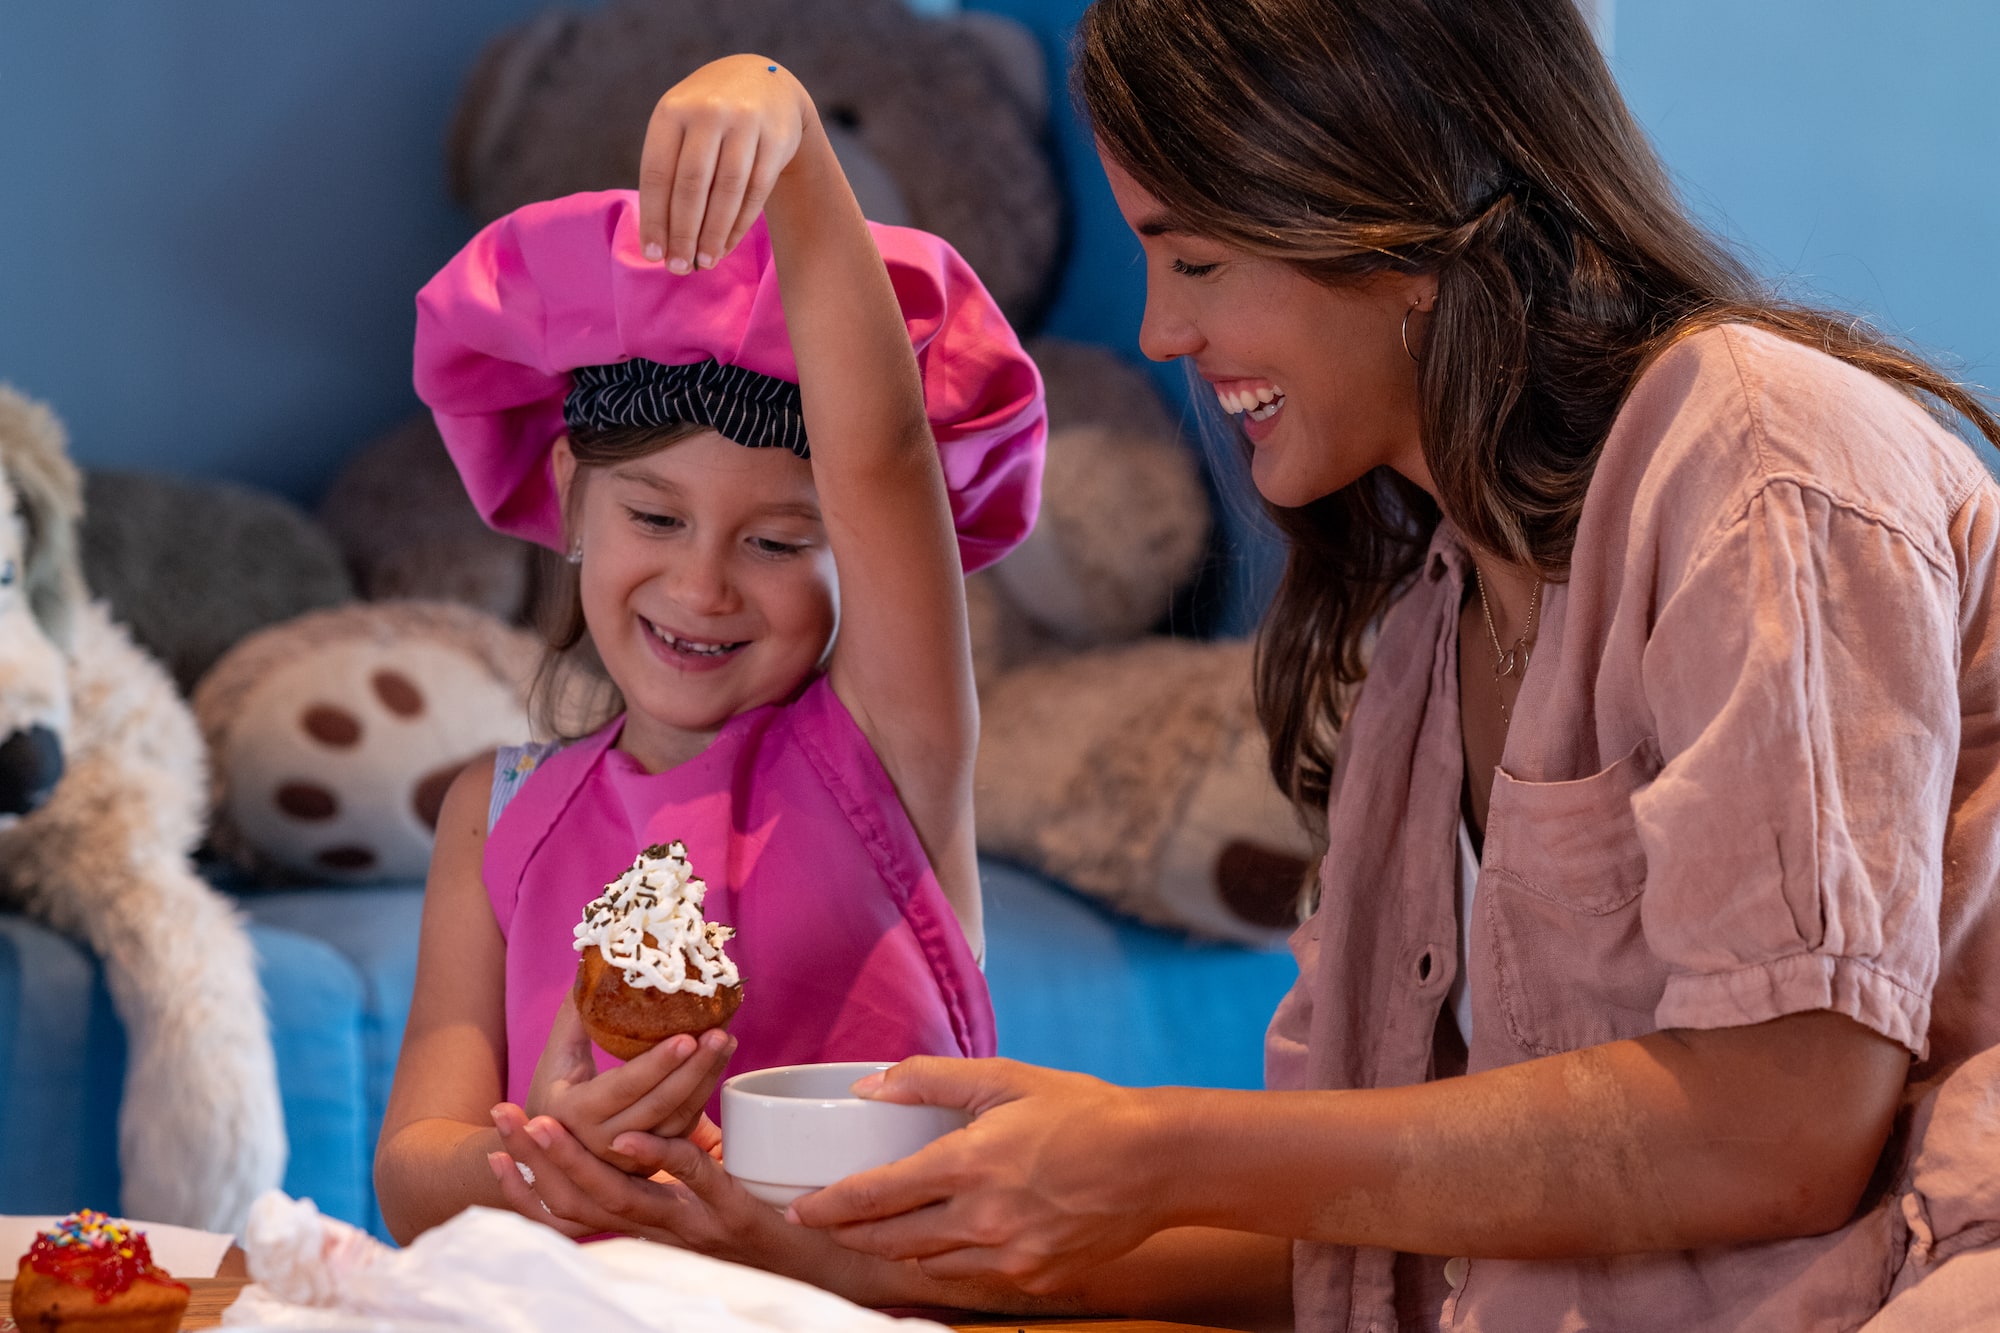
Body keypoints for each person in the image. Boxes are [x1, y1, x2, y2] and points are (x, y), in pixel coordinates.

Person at [476, 4, 2000, 1330]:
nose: (1154, 330)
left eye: (1197, 258)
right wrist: (856, 1257)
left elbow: (1784, 1120)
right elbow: (1364, 1228)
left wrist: (1157, 1148)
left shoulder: (1760, 454)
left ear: (1404, 220)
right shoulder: (1429, 620)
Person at [371, 54, 1045, 1246]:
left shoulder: (891, 751)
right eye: (654, 517)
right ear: (572, 496)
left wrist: (791, 133)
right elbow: (416, 1174)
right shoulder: (496, 809)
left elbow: (881, 451)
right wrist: (542, 1154)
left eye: (783, 541)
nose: (701, 585)